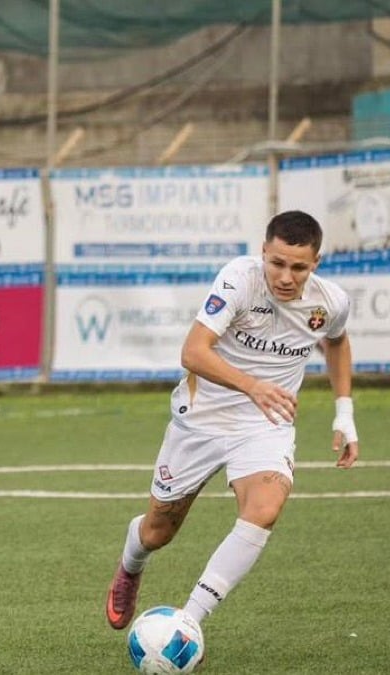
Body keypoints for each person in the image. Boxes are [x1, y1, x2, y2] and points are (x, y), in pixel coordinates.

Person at [105, 210, 360, 637]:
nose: (285, 275)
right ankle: (131, 566)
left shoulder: (330, 302)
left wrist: (345, 413)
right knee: (157, 531)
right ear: (263, 251)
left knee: (265, 509)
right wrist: (252, 386)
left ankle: (188, 622)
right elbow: (193, 352)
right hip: (201, 419)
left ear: (315, 263)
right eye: (276, 262)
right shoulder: (239, 279)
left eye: (298, 267)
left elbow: (337, 342)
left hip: (265, 423)